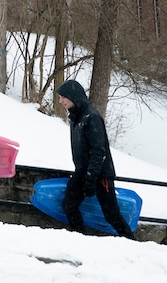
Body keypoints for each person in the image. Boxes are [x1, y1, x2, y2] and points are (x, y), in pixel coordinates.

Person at [56, 80, 135, 239]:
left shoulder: (91, 117)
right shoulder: (76, 118)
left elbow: (99, 150)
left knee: (111, 214)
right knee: (69, 205)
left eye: (63, 97)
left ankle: (132, 243)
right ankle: (80, 239)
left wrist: (91, 177)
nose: (60, 101)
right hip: (82, 172)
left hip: (100, 174)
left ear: (73, 97)